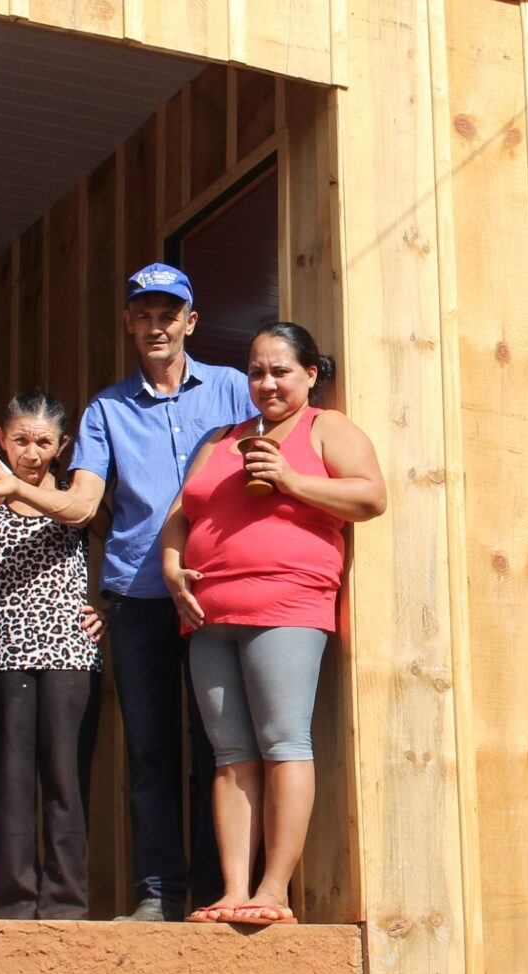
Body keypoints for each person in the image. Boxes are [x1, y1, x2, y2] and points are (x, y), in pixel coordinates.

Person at [0, 264, 253, 923]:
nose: (157, 325)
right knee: (150, 752)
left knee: (221, 746)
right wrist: (16, 490)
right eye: (144, 314)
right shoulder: (106, 409)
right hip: (139, 598)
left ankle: (215, 891)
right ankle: (158, 892)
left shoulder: (235, 390)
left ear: (191, 321)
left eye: (168, 313)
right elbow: (83, 504)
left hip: (215, 593)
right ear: (127, 322)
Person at [160, 322, 384, 925]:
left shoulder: (325, 428)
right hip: (209, 613)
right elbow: (180, 516)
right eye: (257, 371)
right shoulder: (222, 439)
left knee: (284, 743)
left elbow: (370, 496)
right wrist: (173, 569)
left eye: (281, 370)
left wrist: (290, 480)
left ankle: (274, 890)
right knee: (230, 753)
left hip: (286, 604)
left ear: (311, 374)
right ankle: (234, 889)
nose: (267, 383)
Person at [0, 393, 102, 919]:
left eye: (44, 442)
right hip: (0, 654)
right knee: (9, 783)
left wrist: (103, 607)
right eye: (20, 439)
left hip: (68, 653)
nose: (32, 452)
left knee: (66, 781)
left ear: (63, 446)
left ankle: (66, 903)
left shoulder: (70, 497)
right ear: (1, 437)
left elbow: (104, 541)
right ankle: (13, 904)